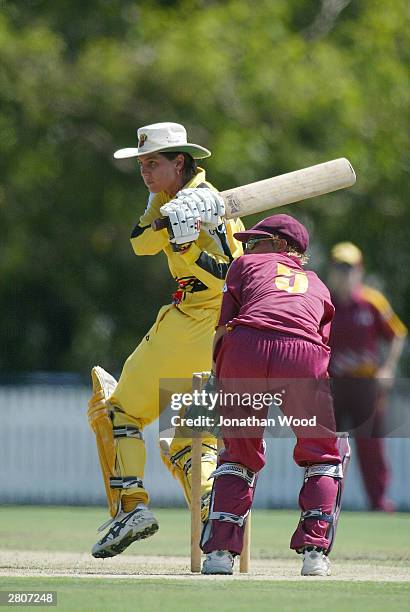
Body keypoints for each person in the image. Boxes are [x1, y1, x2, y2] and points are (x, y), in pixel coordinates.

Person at [87, 122, 244, 558]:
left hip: (197, 320)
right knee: (185, 440)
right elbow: (140, 244)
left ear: (180, 161)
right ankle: (215, 508)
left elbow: (232, 277)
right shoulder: (170, 200)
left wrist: (192, 242)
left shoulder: (211, 205)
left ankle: (131, 507)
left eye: (153, 163)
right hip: (216, 336)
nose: (145, 171)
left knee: (118, 411)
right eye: (141, 164)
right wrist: (164, 210)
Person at [197, 213, 349, 576]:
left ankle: (220, 554)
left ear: (281, 245)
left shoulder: (244, 264)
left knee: (238, 453)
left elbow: (221, 331)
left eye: (256, 240)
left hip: (246, 347)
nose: (248, 247)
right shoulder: (320, 285)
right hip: (303, 353)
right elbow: (322, 344)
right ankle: (314, 555)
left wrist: (221, 376)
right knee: (323, 455)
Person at [327, 242, 407, 511]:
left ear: (359, 270)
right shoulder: (326, 304)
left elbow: (397, 334)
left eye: (349, 268)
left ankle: (378, 501)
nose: (344, 273)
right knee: (327, 444)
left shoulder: (372, 301)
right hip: (333, 385)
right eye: (339, 267)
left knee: (371, 444)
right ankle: (324, 500)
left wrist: (388, 369)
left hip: (366, 385)